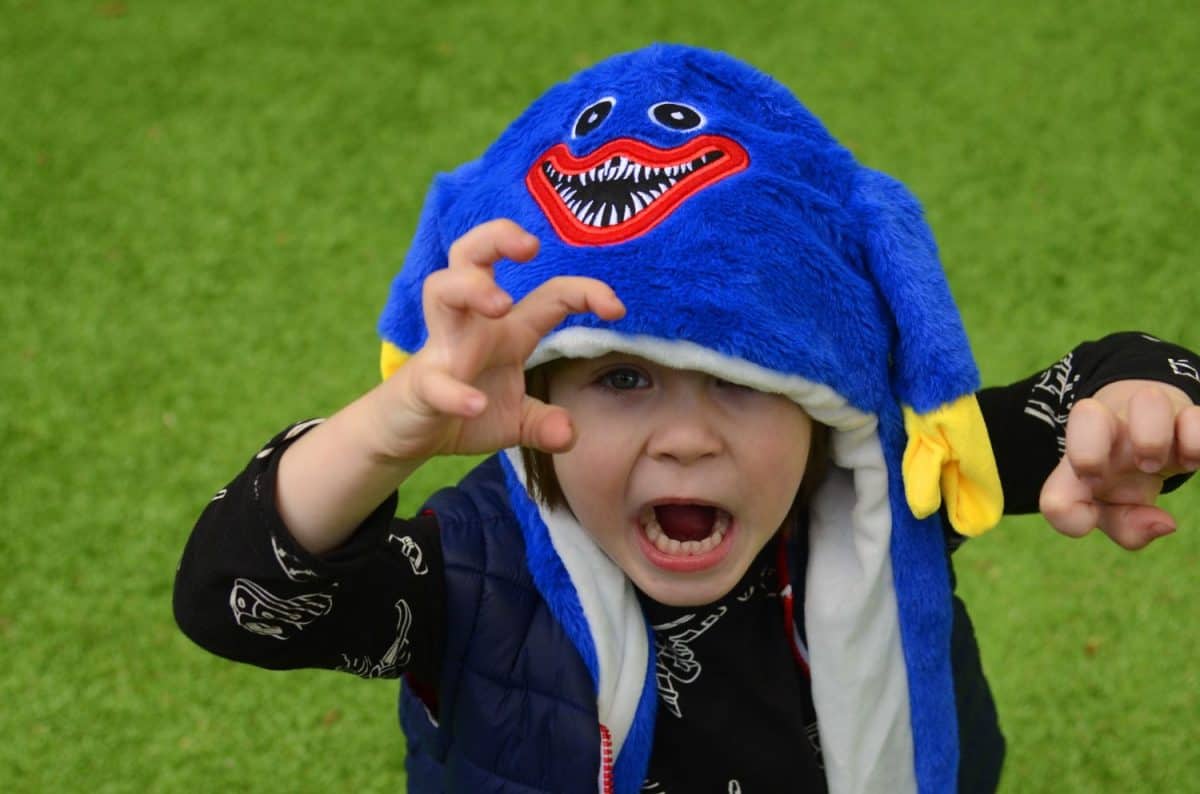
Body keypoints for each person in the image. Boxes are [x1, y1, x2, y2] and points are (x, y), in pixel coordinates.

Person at [174, 45, 1200, 794]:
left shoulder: (902, 477)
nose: (686, 436)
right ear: (540, 392)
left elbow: (1115, 380)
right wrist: (387, 428)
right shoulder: (474, 565)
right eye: (621, 380)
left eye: (745, 380)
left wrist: (1142, 405)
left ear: (824, 402)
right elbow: (238, 595)